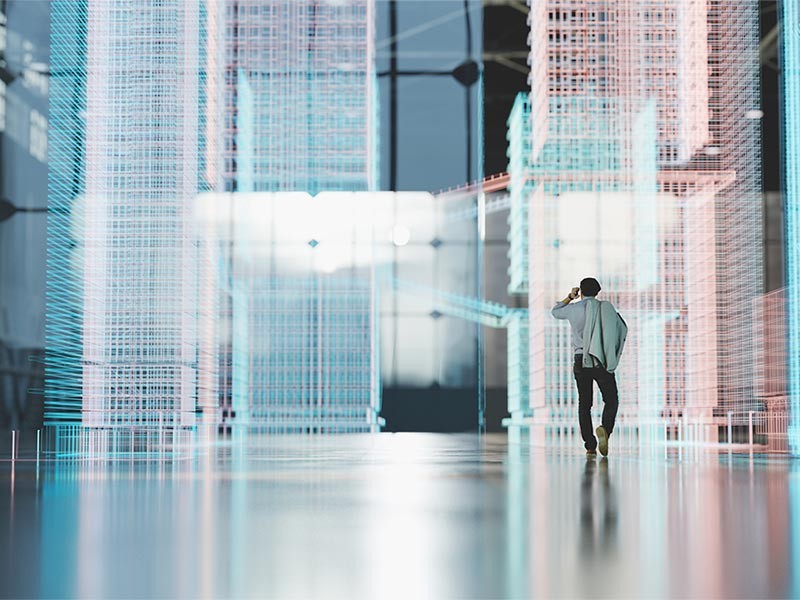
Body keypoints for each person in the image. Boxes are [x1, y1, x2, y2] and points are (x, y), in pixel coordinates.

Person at [551, 277, 627, 456]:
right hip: (601, 359)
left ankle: (590, 445)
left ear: (581, 292)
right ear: (598, 291)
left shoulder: (573, 309)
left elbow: (555, 311)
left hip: (580, 360)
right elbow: (617, 330)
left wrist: (570, 297)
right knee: (611, 400)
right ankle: (605, 431)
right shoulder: (605, 310)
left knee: (585, 404)